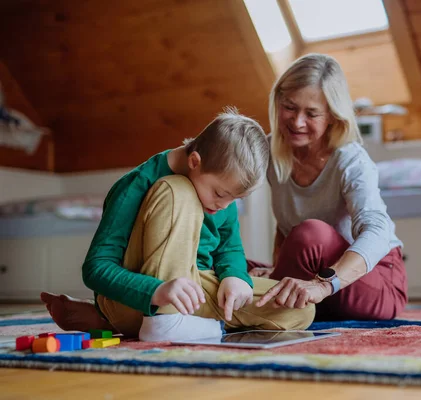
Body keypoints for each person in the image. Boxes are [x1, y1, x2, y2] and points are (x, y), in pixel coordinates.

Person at [41, 108, 315, 341]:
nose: (225, 205)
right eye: (220, 194)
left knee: (299, 309)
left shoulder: (223, 195)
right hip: (144, 295)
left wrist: (235, 277)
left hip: (194, 289)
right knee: (178, 189)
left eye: (235, 198)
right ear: (195, 161)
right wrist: (157, 291)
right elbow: (95, 268)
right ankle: (163, 322)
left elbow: (228, 247)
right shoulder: (137, 185)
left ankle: (190, 326)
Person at [249, 54, 407, 321]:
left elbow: (377, 230)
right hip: (310, 279)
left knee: (310, 234)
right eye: (289, 107)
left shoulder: (351, 160)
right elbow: (284, 228)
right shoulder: (271, 150)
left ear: (333, 116)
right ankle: (267, 296)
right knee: (231, 267)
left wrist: (325, 284)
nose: (297, 122)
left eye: (311, 113)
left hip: (372, 280)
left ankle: (258, 304)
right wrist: (277, 268)